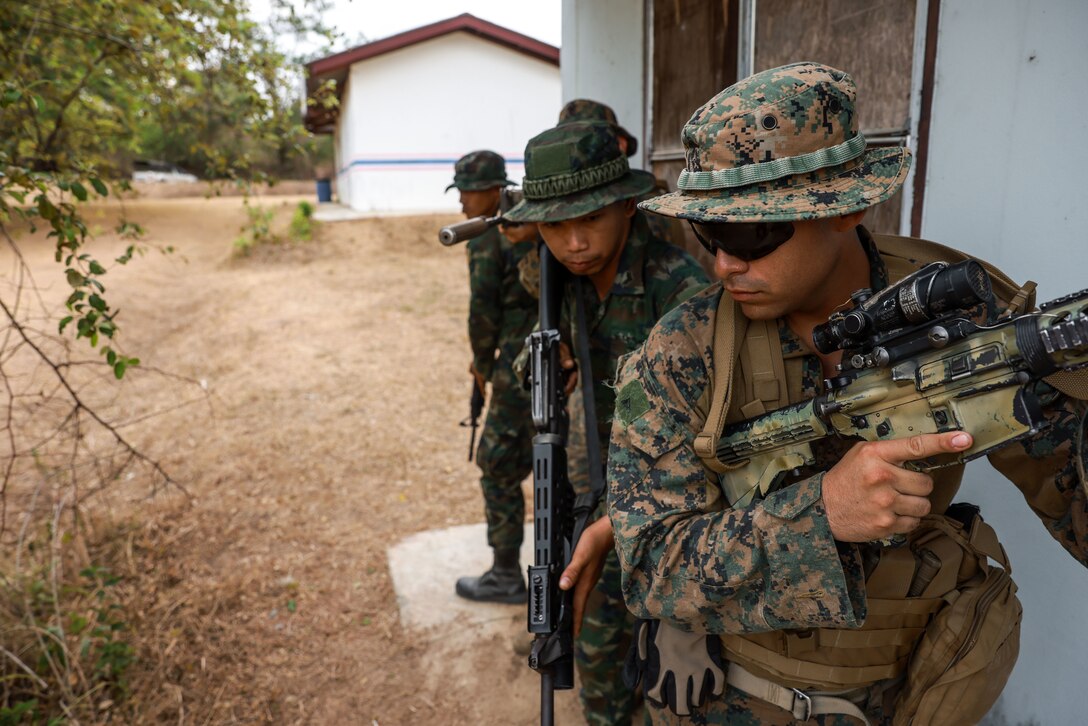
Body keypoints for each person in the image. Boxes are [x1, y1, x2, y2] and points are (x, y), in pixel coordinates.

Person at [602, 62, 1088, 724]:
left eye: (750, 234)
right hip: (735, 697)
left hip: (912, 688)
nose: (724, 264)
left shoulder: (963, 312)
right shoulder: (680, 352)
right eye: (708, 234)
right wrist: (822, 512)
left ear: (847, 206)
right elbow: (649, 568)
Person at [504, 121, 709, 725]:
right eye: (555, 224)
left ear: (626, 206)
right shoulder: (559, 285)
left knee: (666, 677)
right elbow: (531, 347)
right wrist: (541, 359)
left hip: (664, 507)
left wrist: (622, 518)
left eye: (589, 219)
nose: (573, 242)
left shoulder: (678, 290)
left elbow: (704, 434)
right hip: (588, 489)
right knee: (597, 670)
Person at [446, 150, 537, 603]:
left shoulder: (487, 237)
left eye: (465, 191)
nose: (461, 202)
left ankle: (505, 575)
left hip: (518, 364)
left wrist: (481, 365)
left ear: (491, 190)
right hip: (555, 354)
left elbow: (482, 313)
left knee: (497, 464)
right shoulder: (536, 222)